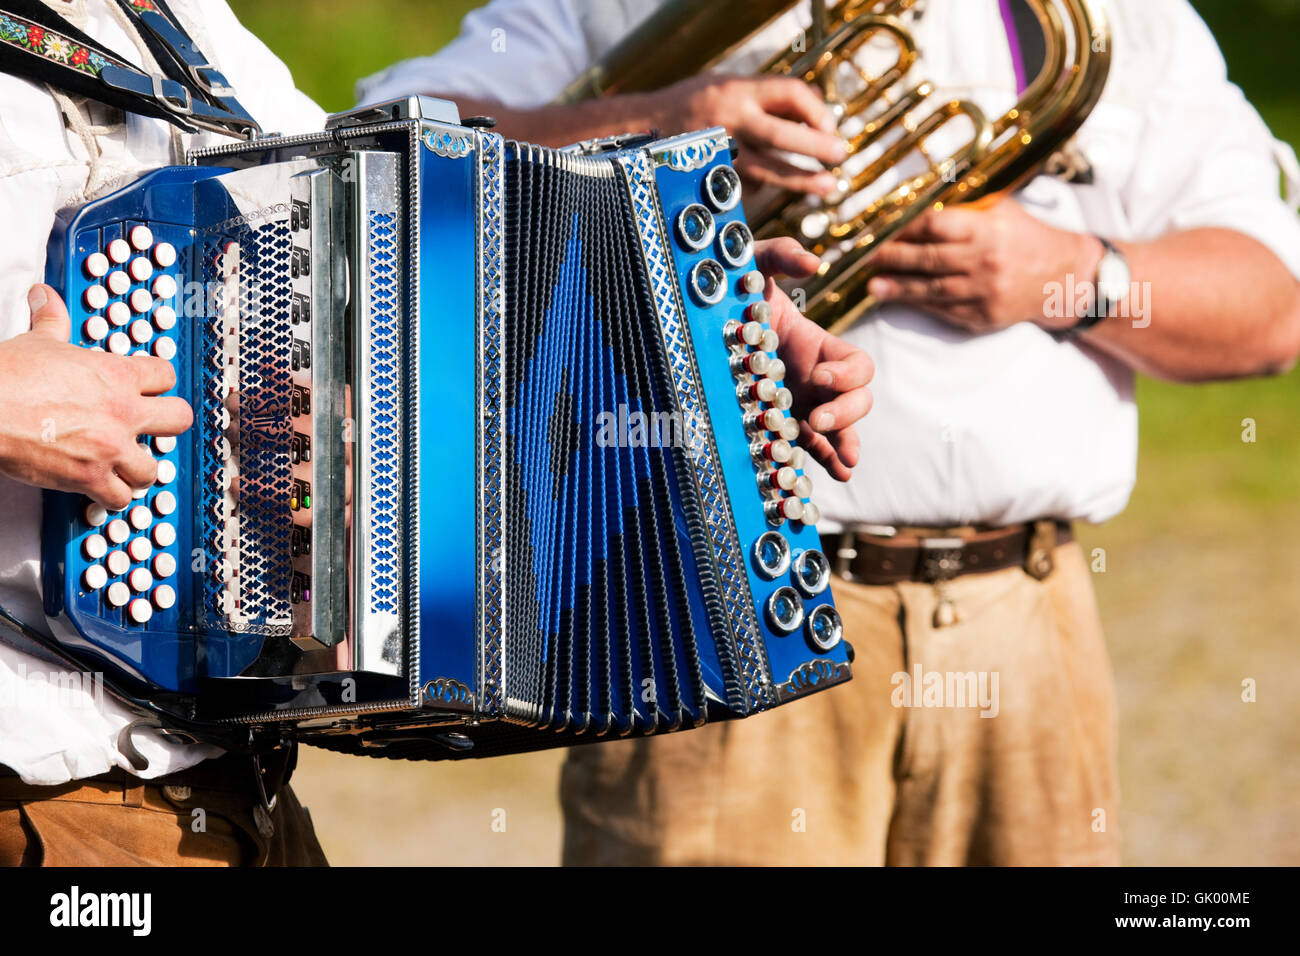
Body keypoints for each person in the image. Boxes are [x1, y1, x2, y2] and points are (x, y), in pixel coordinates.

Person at [358, 0, 1300, 865]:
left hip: (1027, 628)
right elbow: (394, 142)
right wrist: (659, 123)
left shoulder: (1117, 20)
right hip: (721, 619)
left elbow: (1273, 311)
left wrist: (1070, 271)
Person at [0, 0, 871, 867]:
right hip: (41, 787)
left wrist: (705, 343)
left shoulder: (174, 22)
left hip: (226, 785)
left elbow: (420, 237)